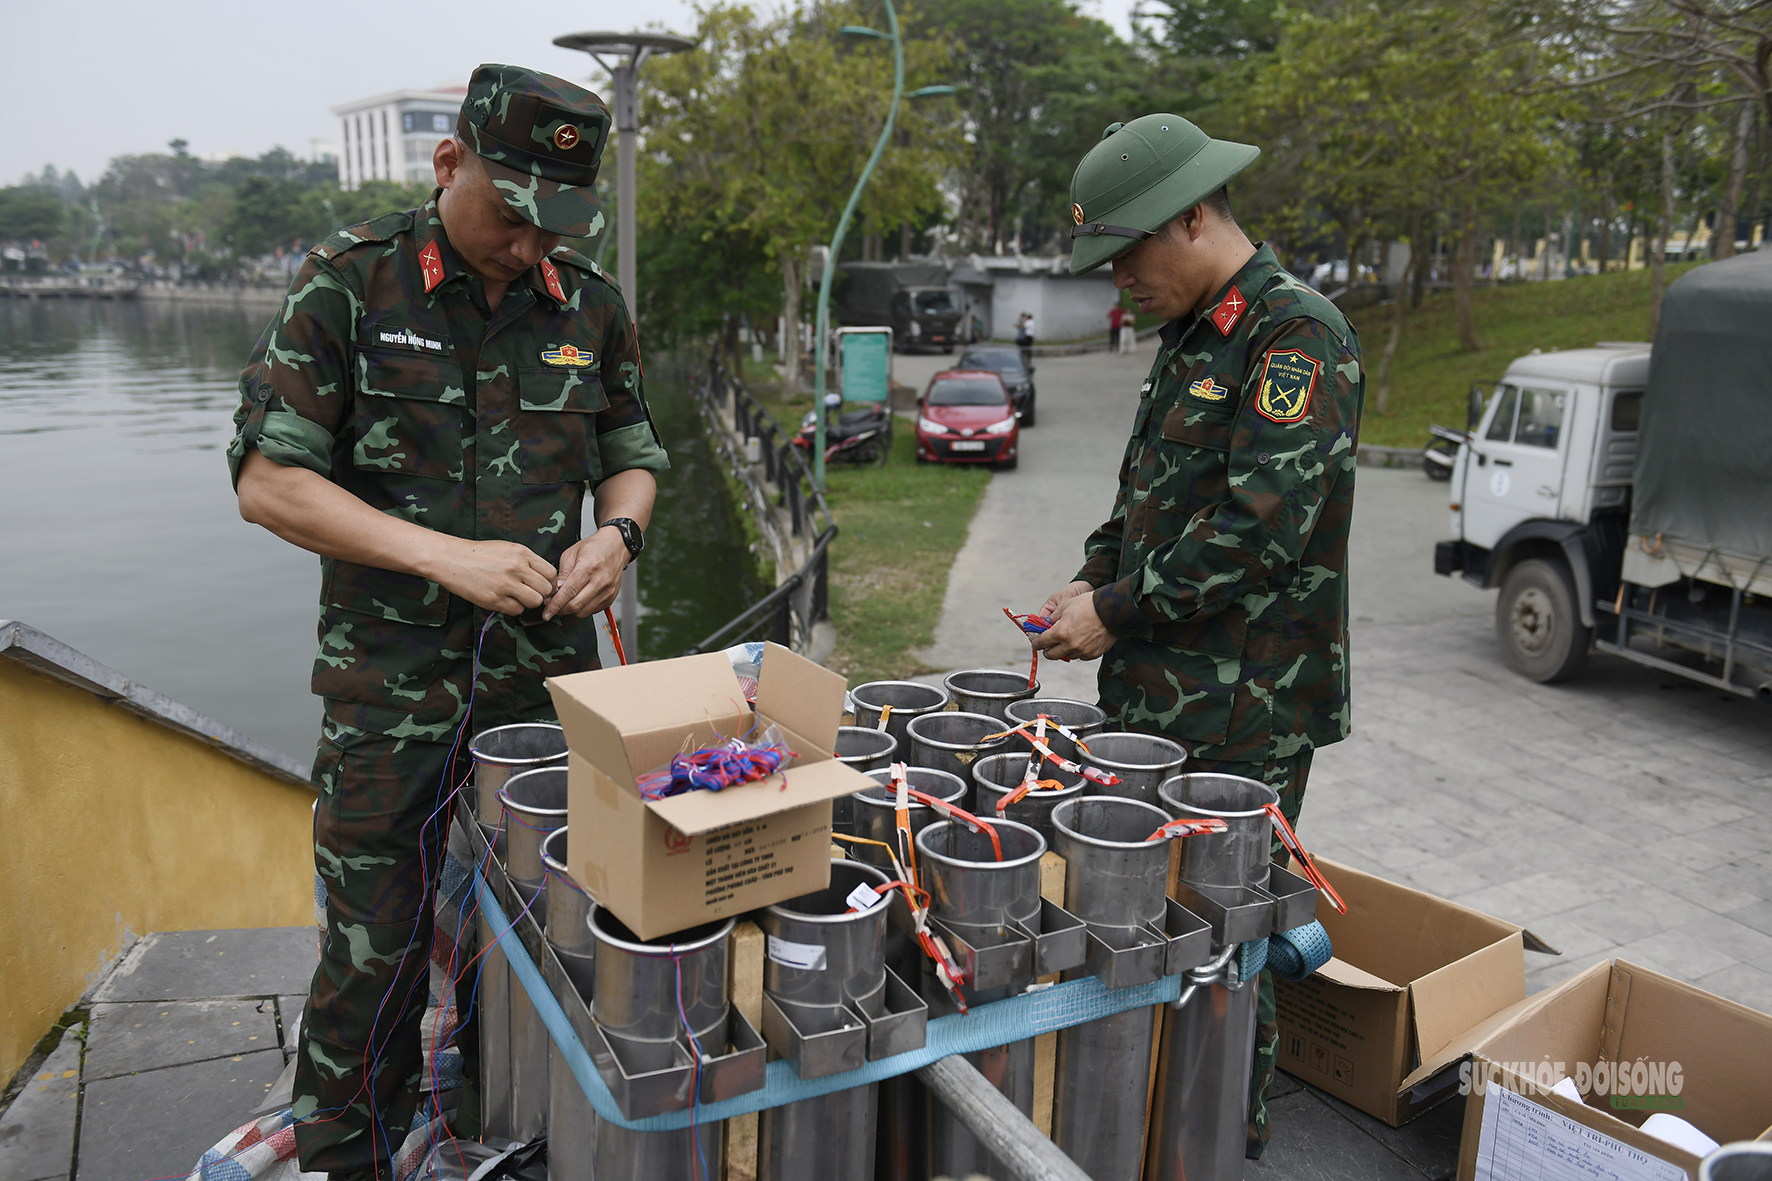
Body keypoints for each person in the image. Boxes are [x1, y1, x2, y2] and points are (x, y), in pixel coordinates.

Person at [227, 64, 668, 1177]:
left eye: (551, 225)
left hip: (541, 693)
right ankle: (352, 1155)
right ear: (447, 163)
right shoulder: (351, 283)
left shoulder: (588, 305)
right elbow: (269, 483)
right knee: (373, 954)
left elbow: (632, 454)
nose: (527, 245)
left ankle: (493, 1132)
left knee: (538, 937)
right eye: (509, 214)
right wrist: (442, 555)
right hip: (391, 689)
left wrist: (616, 537)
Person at [1033, 113, 1364, 1160]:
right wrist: (1091, 577)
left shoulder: (1293, 334)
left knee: (1226, 942)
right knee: (1146, 928)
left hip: (1243, 713)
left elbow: (1257, 530)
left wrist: (1117, 610)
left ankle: (1223, 1137)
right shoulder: (1189, 334)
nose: (1118, 281)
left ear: (1189, 217)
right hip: (1156, 698)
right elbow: (1147, 501)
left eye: (1127, 254)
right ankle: (1143, 1125)